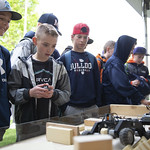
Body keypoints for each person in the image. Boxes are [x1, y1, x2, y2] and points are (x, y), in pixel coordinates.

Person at [8, 23, 71, 141]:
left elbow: (67, 94)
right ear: (35, 41)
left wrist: (54, 94)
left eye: (53, 46)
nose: (50, 50)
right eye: (45, 44)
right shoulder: (20, 65)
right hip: (26, 127)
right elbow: (11, 94)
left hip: (52, 126)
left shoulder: (59, 67)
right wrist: (29, 93)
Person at [59, 23, 102, 115]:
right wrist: (64, 107)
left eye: (85, 37)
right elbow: (60, 84)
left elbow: (97, 82)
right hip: (71, 107)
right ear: (72, 37)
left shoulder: (92, 58)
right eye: (79, 37)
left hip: (91, 107)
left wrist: (98, 104)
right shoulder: (65, 58)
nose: (82, 40)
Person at [102, 35, 150, 106]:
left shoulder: (119, 63)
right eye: (131, 49)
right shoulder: (114, 63)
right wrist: (141, 99)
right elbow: (122, 85)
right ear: (124, 48)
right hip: (114, 103)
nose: (131, 53)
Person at [0, 0, 22, 141]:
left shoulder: (5, 53)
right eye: (1, 19)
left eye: (8, 21)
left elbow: (8, 88)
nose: (6, 25)